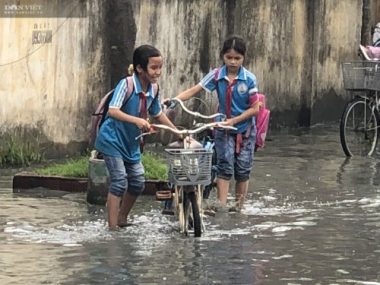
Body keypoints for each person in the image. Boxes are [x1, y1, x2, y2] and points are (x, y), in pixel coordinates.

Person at [170, 35, 261, 212]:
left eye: (237, 58)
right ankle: (222, 206)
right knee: (224, 166)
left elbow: (255, 109)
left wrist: (234, 120)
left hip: (245, 130)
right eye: (229, 58)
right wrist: (174, 100)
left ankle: (239, 208)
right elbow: (196, 89)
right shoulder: (217, 75)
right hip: (223, 128)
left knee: (243, 169)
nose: (233, 62)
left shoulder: (249, 79)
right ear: (222, 56)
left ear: (244, 58)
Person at [95, 44, 177, 230]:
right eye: (153, 68)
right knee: (119, 180)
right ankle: (112, 227)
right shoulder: (127, 84)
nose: (158, 72)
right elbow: (113, 111)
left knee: (138, 182)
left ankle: (122, 217)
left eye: (160, 67)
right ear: (140, 68)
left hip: (130, 142)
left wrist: (176, 131)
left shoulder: (154, 89)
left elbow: (157, 112)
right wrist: (137, 121)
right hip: (112, 140)